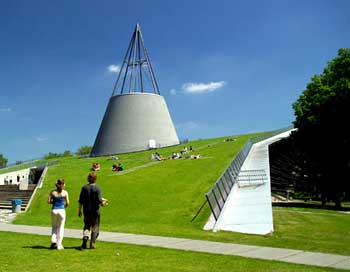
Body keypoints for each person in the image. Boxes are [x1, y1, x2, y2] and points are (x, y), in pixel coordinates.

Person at [78, 172, 108, 249]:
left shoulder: (84, 188)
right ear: (95, 179)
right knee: (95, 227)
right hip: (95, 211)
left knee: (87, 226)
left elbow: (80, 200)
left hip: (86, 210)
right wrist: (104, 202)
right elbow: (99, 200)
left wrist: (79, 210)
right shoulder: (98, 188)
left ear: (88, 179)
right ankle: (92, 244)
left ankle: (85, 236)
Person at [48, 179, 69, 250]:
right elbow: (68, 203)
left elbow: (49, 201)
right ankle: (59, 245)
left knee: (54, 226)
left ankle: (53, 241)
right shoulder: (65, 192)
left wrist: (53, 202)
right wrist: (64, 207)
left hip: (54, 210)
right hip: (62, 210)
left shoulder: (52, 192)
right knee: (61, 228)